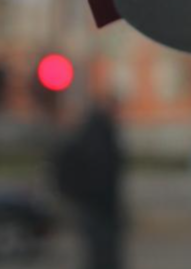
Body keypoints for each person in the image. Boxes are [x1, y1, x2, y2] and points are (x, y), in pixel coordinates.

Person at [51, 97, 125, 269]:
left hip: (94, 206)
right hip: (100, 207)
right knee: (103, 254)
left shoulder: (90, 134)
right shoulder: (99, 135)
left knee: (98, 253)